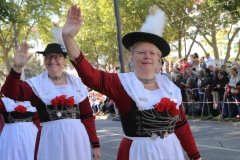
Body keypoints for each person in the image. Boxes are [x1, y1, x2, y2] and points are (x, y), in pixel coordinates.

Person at [62, 4, 201, 160]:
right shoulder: (122, 83)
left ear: (158, 59)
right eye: (141, 52)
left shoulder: (169, 87)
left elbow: (181, 126)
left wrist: (196, 157)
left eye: (152, 53)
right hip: (138, 152)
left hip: (170, 151)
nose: (147, 56)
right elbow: (89, 75)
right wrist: (68, 37)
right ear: (132, 59)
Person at [1, 42, 101, 160]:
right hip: (50, 139)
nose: (52, 60)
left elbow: (87, 116)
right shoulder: (36, 85)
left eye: (57, 56)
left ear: (65, 59)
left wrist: (95, 145)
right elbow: (10, 92)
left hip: (77, 138)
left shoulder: (77, 84)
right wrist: (17, 67)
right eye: (48, 57)